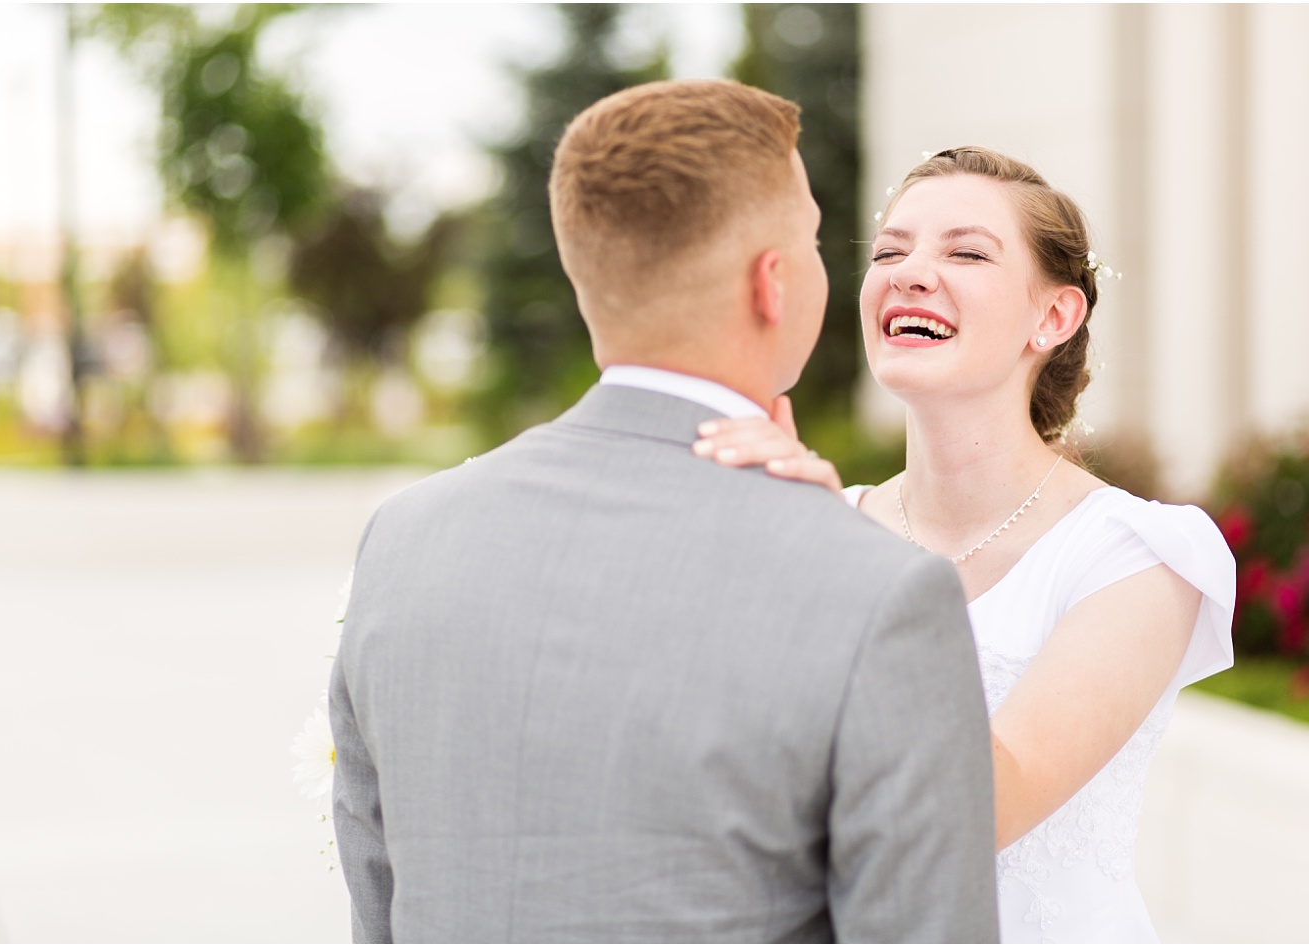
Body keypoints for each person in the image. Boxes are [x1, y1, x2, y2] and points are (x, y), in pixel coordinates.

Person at [327, 80, 999, 942]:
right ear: (773, 284)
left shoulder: (407, 537)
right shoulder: (881, 594)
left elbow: (377, 911)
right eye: (818, 240)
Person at [692, 146, 1236, 943]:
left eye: (966, 252)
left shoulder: (1137, 554)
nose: (909, 272)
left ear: (1053, 317)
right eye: (888, 251)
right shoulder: (816, 527)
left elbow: (979, 809)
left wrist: (828, 566)